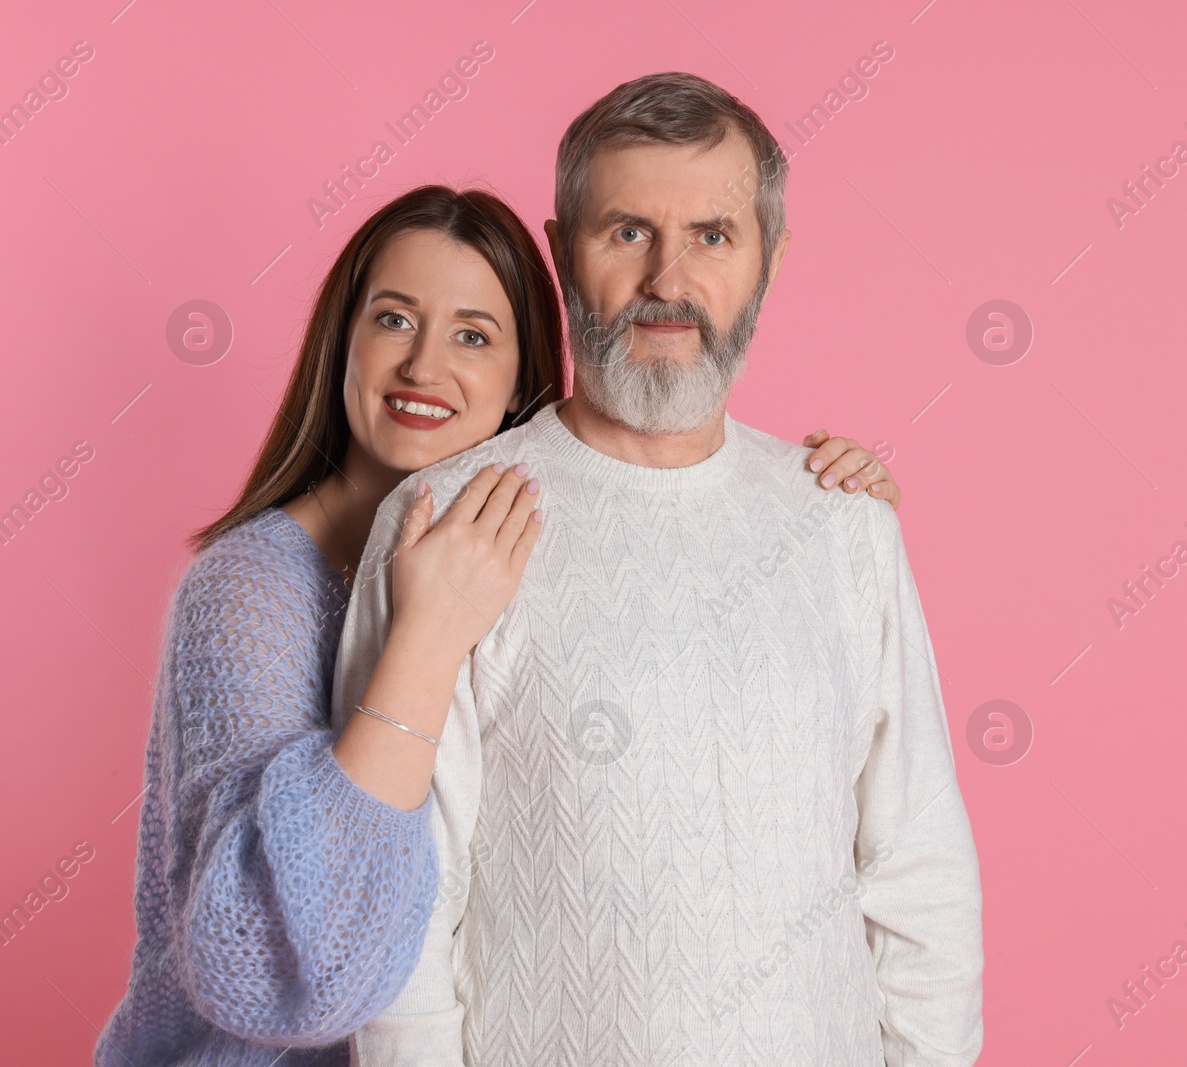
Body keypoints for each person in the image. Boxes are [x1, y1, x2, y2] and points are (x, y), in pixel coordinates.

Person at [94, 183, 902, 1067]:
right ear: (343, 342)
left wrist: (821, 505)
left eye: (474, 335)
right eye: (394, 320)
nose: (423, 368)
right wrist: (425, 638)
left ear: (525, 377)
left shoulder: (529, 553)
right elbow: (281, 972)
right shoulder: (250, 591)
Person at [334, 73, 982, 1067]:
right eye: (627, 231)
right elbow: (403, 908)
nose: (667, 280)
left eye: (714, 236)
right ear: (560, 252)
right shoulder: (444, 523)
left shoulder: (844, 526)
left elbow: (915, 869)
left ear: (769, 260)